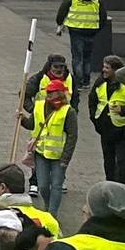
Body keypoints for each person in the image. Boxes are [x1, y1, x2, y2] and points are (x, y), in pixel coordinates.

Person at [19, 63, 73, 217]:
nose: (51, 97)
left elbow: (72, 137)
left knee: (56, 185)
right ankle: (48, 206)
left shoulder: (68, 112)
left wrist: (66, 158)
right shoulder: (39, 106)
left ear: (61, 94)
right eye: (49, 94)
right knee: (43, 186)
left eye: (54, 94)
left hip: (59, 156)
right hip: (41, 153)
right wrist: (22, 119)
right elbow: (32, 124)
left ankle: (52, 215)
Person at [90, 56, 125, 186]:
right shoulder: (100, 82)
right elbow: (92, 100)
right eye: (104, 66)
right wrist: (95, 119)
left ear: (116, 70)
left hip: (122, 130)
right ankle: (110, 185)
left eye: (107, 68)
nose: (103, 70)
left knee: (121, 161)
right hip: (105, 129)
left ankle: (121, 187)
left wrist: (123, 110)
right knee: (108, 160)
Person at [57, 0, 107, 91]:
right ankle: (86, 81)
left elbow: (62, 10)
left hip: (75, 30)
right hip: (91, 30)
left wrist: (60, 23)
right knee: (87, 57)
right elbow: (103, 16)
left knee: (77, 57)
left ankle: (78, 83)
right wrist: (97, 28)